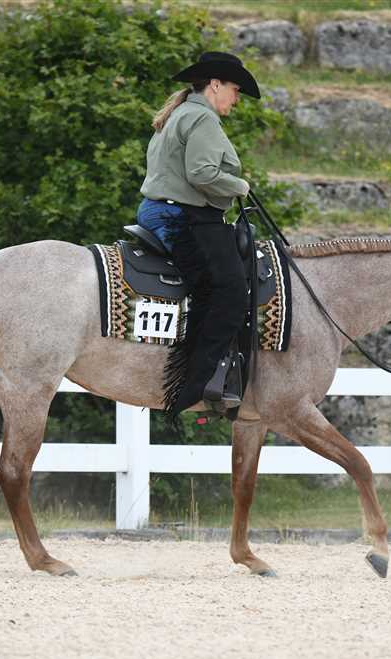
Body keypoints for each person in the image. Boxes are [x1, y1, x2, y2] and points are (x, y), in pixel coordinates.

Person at [136, 51, 260, 418]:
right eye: (235, 90)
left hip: (162, 209)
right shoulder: (202, 118)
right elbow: (202, 174)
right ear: (215, 84)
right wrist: (240, 185)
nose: (237, 99)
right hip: (182, 216)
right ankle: (198, 384)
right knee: (229, 291)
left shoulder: (180, 112)